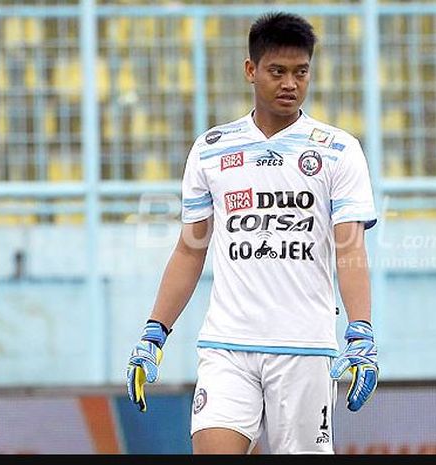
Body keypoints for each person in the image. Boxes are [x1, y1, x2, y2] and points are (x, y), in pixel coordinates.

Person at [125, 12, 378, 454]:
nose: (290, 84)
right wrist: (154, 332)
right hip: (227, 345)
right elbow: (190, 249)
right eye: (277, 71)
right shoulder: (211, 149)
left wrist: (361, 331)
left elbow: (349, 246)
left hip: (304, 347)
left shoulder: (338, 150)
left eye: (300, 72)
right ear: (250, 70)